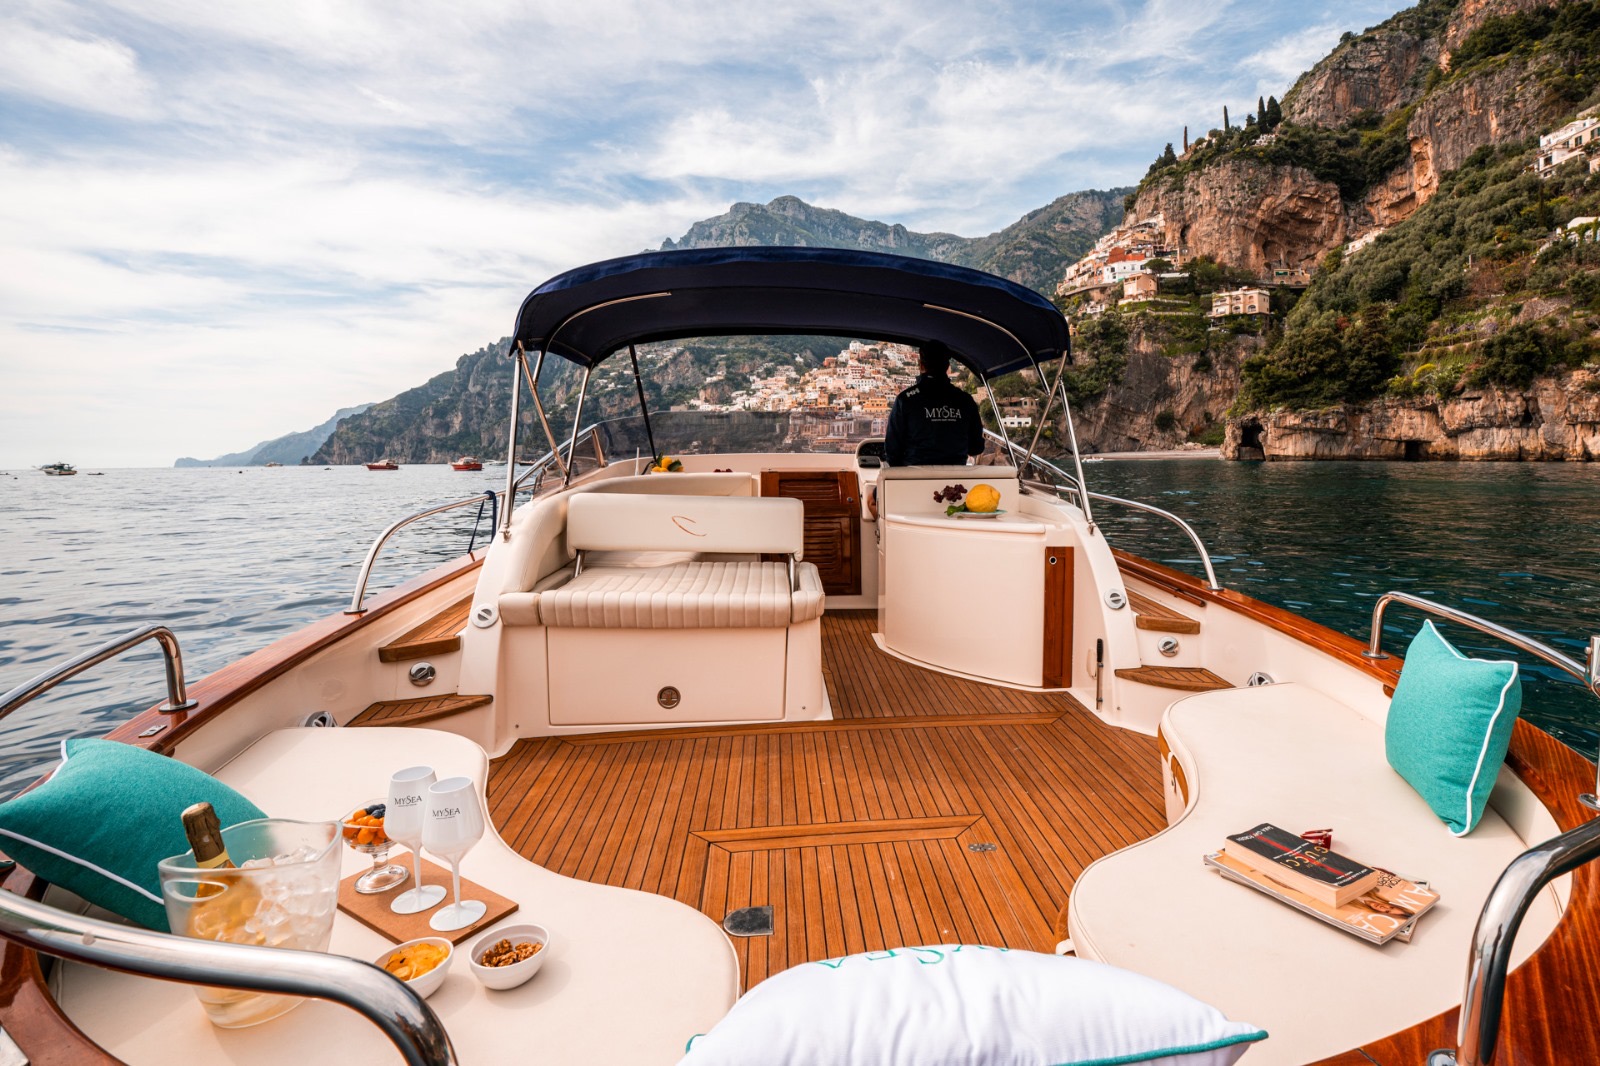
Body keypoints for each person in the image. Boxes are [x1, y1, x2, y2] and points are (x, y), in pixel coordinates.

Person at [883, 341, 984, 466]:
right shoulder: (965, 400)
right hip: (956, 476)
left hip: (914, 475)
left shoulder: (905, 400)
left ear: (921, 365)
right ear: (947, 366)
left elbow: (892, 452)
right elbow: (976, 448)